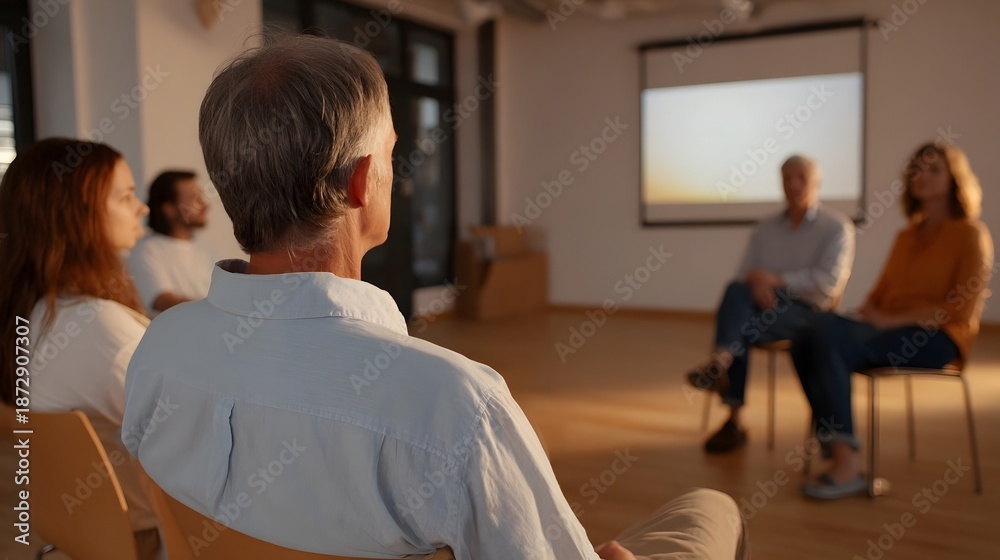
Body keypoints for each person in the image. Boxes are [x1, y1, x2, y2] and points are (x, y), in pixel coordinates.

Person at [122, 34, 747, 560]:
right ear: (364, 180)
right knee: (714, 510)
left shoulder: (159, 349)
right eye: (392, 153)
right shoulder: (454, 406)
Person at [792, 142, 993, 500]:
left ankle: (846, 463)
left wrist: (887, 320)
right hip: (887, 326)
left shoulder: (971, 234)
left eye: (934, 169)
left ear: (954, 179)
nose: (922, 176)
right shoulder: (906, 236)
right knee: (808, 334)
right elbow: (879, 294)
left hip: (937, 338)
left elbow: (960, 309)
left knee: (827, 338)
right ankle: (842, 452)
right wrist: (867, 314)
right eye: (916, 169)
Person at [0, 138, 162, 559]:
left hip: (76, 542)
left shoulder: (33, 314)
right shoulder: (100, 328)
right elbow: (192, 446)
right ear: (76, 216)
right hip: (147, 542)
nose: (142, 208)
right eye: (126, 197)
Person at [685, 156, 855, 453]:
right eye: (786, 177)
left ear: (817, 182)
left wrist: (776, 279)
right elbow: (745, 274)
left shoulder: (836, 227)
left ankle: (731, 408)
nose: (793, 184)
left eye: (800, 177)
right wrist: (759, 281)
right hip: (762, 305)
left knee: (740, 324)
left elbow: (828, 283)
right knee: (737, 293)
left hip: (809, 313)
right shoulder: (765, 228)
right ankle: (722, 364)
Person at [126, 170, 214, 315]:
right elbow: (164, 302)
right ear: (169, 209)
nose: (205, 204)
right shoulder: (146, 250)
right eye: (194, 199)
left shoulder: (206, 251)